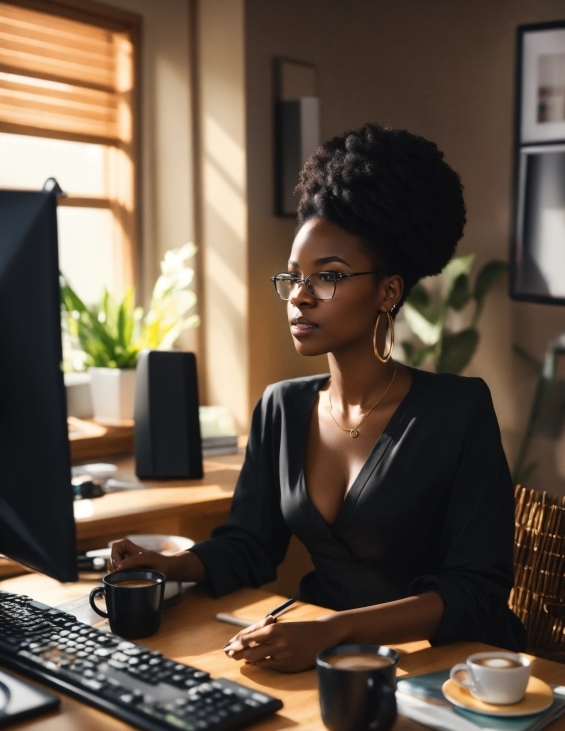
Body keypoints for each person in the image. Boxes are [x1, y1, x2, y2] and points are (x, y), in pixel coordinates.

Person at [111, 124, 527, 671]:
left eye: (328, 277)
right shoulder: (281, 409)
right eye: (293, 277)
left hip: (448, 669)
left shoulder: (458, 410)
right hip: (331, 663)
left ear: (388, 291)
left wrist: (332, 630)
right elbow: (250, 546)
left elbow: (477, 590)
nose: (300, 298)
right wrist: (167, 564)